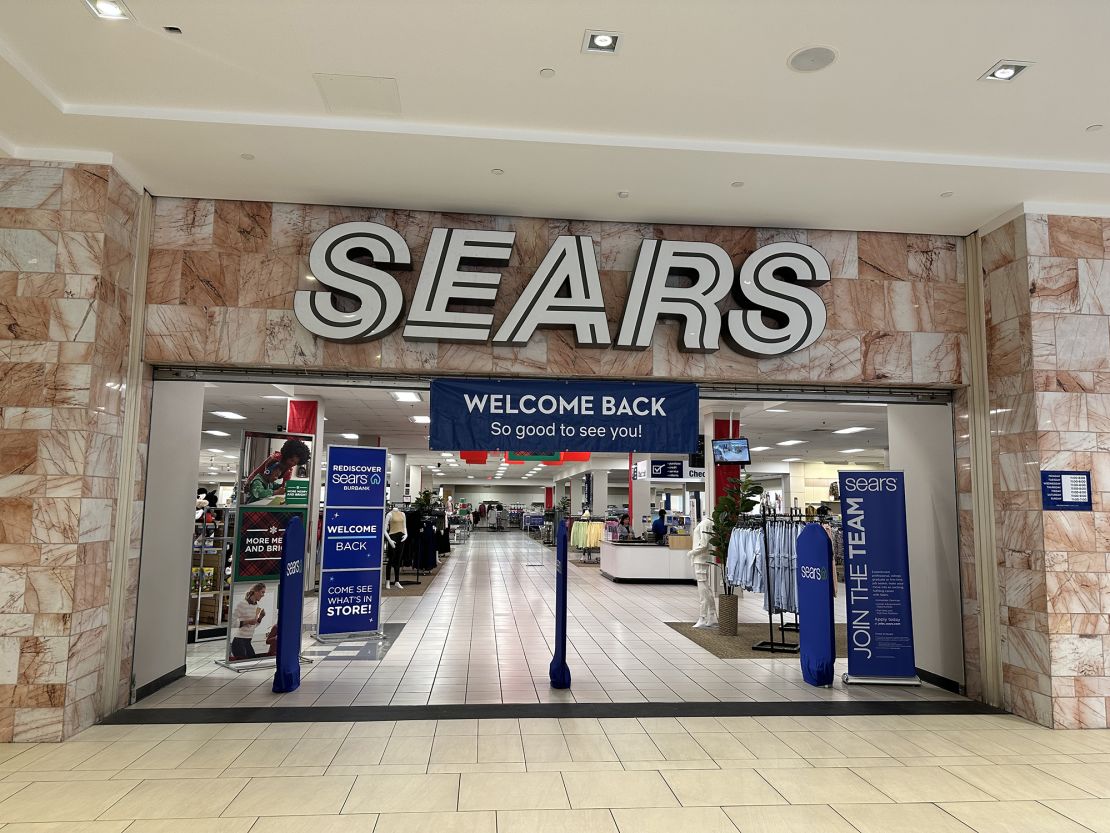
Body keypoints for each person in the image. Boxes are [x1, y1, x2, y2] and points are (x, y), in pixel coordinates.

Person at [242, 439, 310, 503]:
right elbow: (257, 471)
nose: (292, 464)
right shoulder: (274, 459)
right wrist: (248, 483)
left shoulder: (289, 470)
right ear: (286, 456)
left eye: (295, 463)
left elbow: (284, 487)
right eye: (291, 460)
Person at [688, 516, 718, 628]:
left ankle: (703, 616)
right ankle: (710, 615)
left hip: (700, 558)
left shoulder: (705, 523)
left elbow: (704, 544)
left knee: (703, 590)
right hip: (703, 558)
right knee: (706, 588)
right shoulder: (708, 522)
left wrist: (692, 552)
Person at [230, 582, 266, 659]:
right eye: (262, 592)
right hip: (239, 641)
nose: (263, 595)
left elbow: (252, 626)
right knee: (250, 661)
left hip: (247, 641)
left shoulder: (257, 606)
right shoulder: (242, 604)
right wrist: (248, 621)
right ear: (256, 591)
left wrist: (260, 618)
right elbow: (231, 623)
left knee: (253, 660)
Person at [384, 504, 408, 589]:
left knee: (398, 560)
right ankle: (387, 581)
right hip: (392, 537)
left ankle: (397, 581)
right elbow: (384, 529)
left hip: (401, 538)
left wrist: (406, 535)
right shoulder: (389, 514)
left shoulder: (403, 514)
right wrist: (389, 540)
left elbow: (404, 527)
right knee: (391, 559)